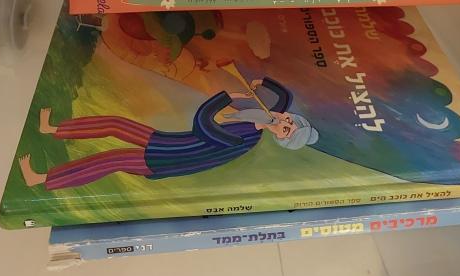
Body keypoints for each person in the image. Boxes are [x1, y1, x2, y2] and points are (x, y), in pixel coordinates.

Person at [19, 76, 319, 190]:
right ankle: (53, 129)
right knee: (116, 124)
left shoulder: (244, 140)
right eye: (288, 120)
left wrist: (227, 96)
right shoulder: (265, 119)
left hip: (170, 158)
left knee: (112, 160)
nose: (283, 121)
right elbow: (285, 97)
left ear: (280, 137)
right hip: (169, 142)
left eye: (286, 129)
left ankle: (43, 179)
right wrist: (261, 82)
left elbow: (203, 125)